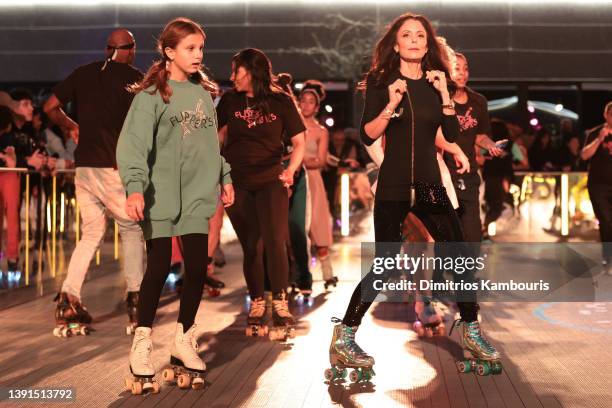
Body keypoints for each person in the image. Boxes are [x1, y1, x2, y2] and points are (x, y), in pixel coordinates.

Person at [327, 13, 501, 381]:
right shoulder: (380, 81)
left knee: (458, 251)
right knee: (386, 264)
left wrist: (443, 94)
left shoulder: (436, 82)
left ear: (428, 43)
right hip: (392, 184)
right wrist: (390, 104)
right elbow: (368, 135)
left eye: (420, 35)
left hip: (428, 183)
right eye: (407, 35)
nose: (414, 40)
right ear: (395, 43)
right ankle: (345, 334)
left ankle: (470, 329)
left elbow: (450, 132)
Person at [117, 17, 233, 392]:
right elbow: (133, 146)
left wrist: (224, 176)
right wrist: (135, 188)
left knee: (198, 268)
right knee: (159, 268)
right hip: (160, 197)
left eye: (201, 48)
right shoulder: (150, 97)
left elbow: (210, 146)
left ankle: (183, 339)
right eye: (190, 48)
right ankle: (142, 343)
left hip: (198, 196)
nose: (198, 55)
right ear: (169, 52)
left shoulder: (202, 95)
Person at [44, 28, 145, 333]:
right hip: (112, 167)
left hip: (85, 168)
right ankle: (136, 299)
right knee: (131, 229)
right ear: (130, 49)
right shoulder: (135, 80)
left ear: (107, 49)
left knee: (91, 233)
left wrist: (72, 125)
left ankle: (69, 297)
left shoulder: (84, 73)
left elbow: (50, 107)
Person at [216, 48, 305, 333]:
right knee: (251, 246)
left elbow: (299, 141)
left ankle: (280, 300)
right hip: (238, 181)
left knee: (275, 242)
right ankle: (257, 300)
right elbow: (214, 138)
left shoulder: (280, 100)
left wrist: (290, 171)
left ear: (252, 72)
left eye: (236, 72)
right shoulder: (230, 100)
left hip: (271, 180)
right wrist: (220, 174)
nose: (232, 77)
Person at [298, 80, 337, 288]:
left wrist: (298, 160)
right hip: (292, 178)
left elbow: (321, 161)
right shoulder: (291, 124)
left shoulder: (321, 131)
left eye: (310, 102)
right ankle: (299, 276)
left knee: (319, 225)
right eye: (303, 100)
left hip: (312, 179)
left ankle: (327, 272)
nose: (306, 105)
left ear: (316, 106)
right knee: (295, 228)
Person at [581, 101, 612, 274]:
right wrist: (600, 138)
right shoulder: (595, 133)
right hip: (599, 185)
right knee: (606, 221)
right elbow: (584, 155)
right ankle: (608, 259)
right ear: (605, 115)